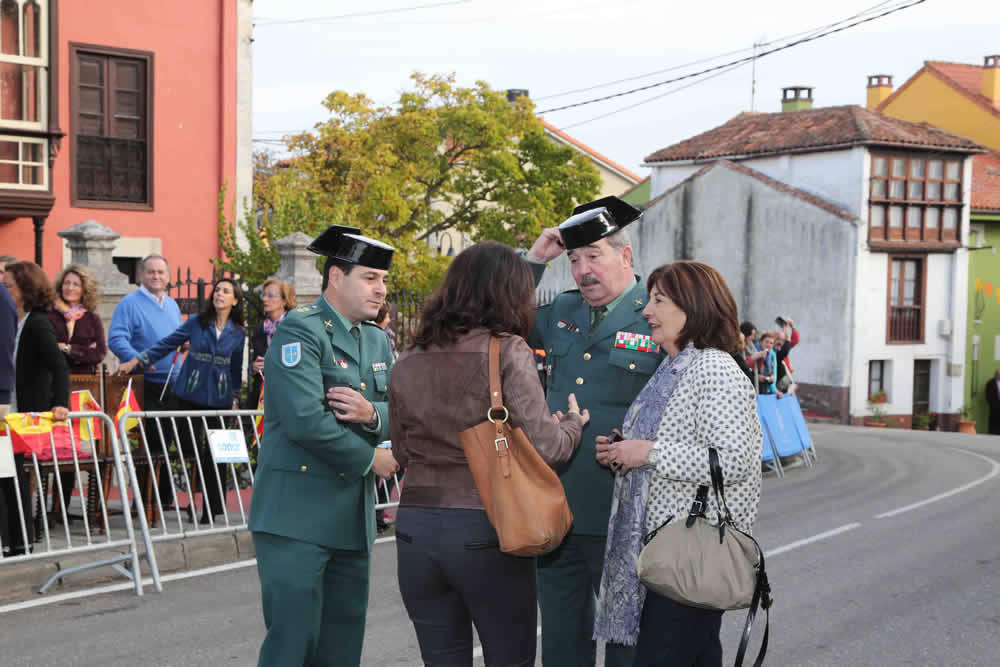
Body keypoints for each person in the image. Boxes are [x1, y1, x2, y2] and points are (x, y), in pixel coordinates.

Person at [389, 241, 590, 665]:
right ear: (508, 294)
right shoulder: (507, 350)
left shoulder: (408, 357)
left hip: (416, 528)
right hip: (486, 525)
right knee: (509, 657)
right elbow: (549, 448)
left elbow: (403, 451)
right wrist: (573, 424)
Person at [593, 261, 763, 665]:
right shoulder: (676, 366)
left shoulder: (714, 368)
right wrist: (625, 449)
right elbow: (678, 440)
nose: (646, 311)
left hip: (690, 551)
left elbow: (733, 461)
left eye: (658, 300)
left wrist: (647, 452)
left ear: (694, 306)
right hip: (671, 551)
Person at [248, 224, 400, 667]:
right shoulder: (301, 330)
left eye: (384, 280)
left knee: (341, 647)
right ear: (336, 277)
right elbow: (304, 420)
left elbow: (399, 407)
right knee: (292, 645)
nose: (380, 289)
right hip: (296, 515)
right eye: (369, 278)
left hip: (350, 518)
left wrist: (373, 415)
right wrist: (373, 457)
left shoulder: (374, 339)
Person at [524, 195, 660, 667]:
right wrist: (535, 262)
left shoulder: (657, 313)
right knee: (561, 637)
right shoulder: (561, 310)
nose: (582, 270)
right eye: (574, 259)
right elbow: (501, 321)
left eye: (594, 256)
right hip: (559, 503)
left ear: (625, 256)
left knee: (628, 638)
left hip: (628, 508)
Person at [118, 278, 246, 524]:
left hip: (219, 399)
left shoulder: (238, 332)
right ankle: (159, 497)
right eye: (217, 289)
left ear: (235, 300)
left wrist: (235, 398)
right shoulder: (198, 322)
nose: (219, 294)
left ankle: (211, 509)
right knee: (181, 444)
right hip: (188, 393)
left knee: (215, 454)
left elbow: (235, 369)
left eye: (226, 291)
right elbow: (168, 343)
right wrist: (137, 360)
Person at [0, 262, 70, 557]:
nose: (6, 289)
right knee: (7, 476)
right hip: (11, 410)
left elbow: (58, 365)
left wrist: (61, 403)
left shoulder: (38, 322)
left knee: (11, 477)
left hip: (21, 410)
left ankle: (20, 541)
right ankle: (16, 541)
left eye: (10, 285)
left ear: (25, 289)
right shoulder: (17, 318)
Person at [108, 254, 182, 508]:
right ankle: (144, 501)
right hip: (144, 382)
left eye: (161, 272)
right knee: (148, 445)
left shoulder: (172, 305)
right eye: (150, 272)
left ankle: (162, 498)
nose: (156, 276)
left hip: (173, 381)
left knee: (166, 441)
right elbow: (116, 339)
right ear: (141, 275)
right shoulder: (129, 303)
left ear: (168, 277)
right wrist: (137, 359)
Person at [47, 265, 108, 518]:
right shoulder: (49, 316)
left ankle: (67, 506)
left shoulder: (91, 319)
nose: (69, 288)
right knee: (55, 448)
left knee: (76, 448)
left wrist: (70, 350)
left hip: (82, 390)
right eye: (67, 283)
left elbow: (99, 353)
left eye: (75, 284)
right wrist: (67, 350)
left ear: (85, 290)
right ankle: (53, 508)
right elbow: (47, 347)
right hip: (53, 388)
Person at [248, 279, 296, 409]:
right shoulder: (260, 329)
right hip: (262, 396)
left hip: (287, 395)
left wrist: (272, 364)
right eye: (264, 295)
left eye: (270, 295)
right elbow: (253, 364)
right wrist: (253, 367)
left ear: (284, 301)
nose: (264, 299)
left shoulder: (294, 328)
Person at [986, 369, 1000, 435]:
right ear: (996, 374)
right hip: (994, 404)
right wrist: (991, 403)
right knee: (993, 418)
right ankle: (993, 432)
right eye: (998, 374)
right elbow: (988, 394)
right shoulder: (990, 382)